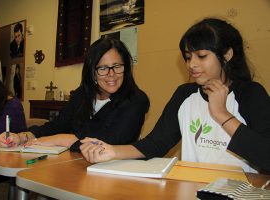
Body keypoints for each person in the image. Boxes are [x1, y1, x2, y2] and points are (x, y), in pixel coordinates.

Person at [80, 18, 270, 174]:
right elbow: (155, 144)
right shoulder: (184, 94)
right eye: (188, 57)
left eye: (201, 56)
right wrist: (112, 151)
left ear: (227, 55)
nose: (191, 65)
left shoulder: (251, 94)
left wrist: (221, 114)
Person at [0, 37, 149, 152]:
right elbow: (56, 126)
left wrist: (61, 139)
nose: (111, 74)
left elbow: (109, 142)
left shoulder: (136, 101)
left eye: (117, 66)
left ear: (126, 68)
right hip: (71, 163)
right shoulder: (82, 94)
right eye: (102, 68)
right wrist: (22, 136)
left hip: (111, 172)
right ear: (92, 72)